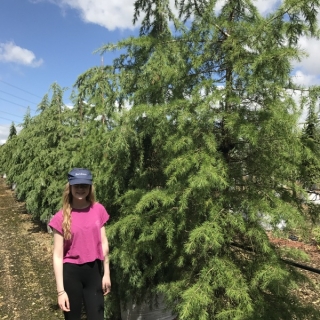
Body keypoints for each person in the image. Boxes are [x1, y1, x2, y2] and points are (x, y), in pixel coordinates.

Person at [49, 168, 111, 320]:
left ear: (90, 187)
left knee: (97, 317)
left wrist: (106, 273)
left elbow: (103, 243)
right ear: (69, 187)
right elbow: (57, 255)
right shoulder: (61, 217)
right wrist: (61, 291)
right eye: (76, 185)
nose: (80, 189)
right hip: (71, 274)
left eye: (84, 185)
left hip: (94, 272)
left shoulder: (98, 210)